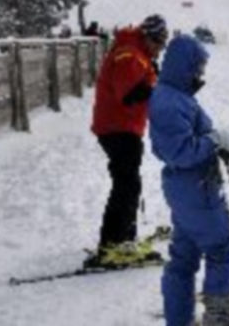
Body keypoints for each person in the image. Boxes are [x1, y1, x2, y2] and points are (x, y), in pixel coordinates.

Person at [148, 34, 229, 326]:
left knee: (184, 255)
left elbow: (189, 139)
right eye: (198, 66)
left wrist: (213, 139)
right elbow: (180, 151)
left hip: (186, 189)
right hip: (196, 189)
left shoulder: (176, 96)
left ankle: (179, 320)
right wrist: (213, 141)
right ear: (184, 65)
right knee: (224, 250)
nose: (201, 73)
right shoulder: (169, 102)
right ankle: (217, 318)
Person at [87, 14, 168, 267]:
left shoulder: (138, 53)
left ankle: (122, 239)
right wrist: (159, 91)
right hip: (117, 126)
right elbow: (129, 94)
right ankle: (114, 244)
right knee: (126, 184)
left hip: (122, 126)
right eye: (158, 43)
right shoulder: (130, 55)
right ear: (148, 37)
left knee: (128, 183)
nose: (159, 49)